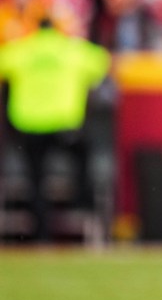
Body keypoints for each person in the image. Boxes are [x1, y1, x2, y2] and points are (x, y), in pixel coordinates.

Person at [0, 15, 110, 241]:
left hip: (28, 126)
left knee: (36, 178)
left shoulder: (22, 48)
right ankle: (83, 201)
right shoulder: (71, 50)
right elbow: (103, 62)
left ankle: (41, 234)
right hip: (64, 126)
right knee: (84, 156)